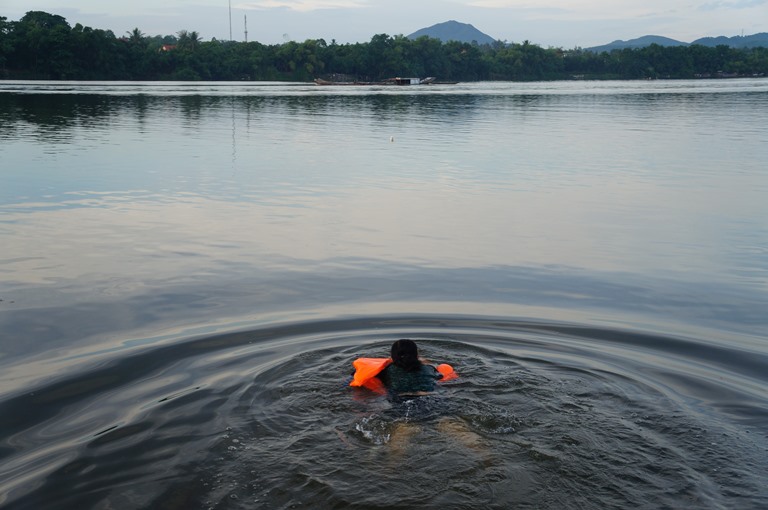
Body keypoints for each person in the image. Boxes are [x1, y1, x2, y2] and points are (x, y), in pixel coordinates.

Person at [349, 339, 457, 396]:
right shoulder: (429, 369)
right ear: (417, 355)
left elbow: (357, 375)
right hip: (432, 400)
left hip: (402, 405)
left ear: (392, 356)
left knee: (401, 435)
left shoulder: (384, 371)